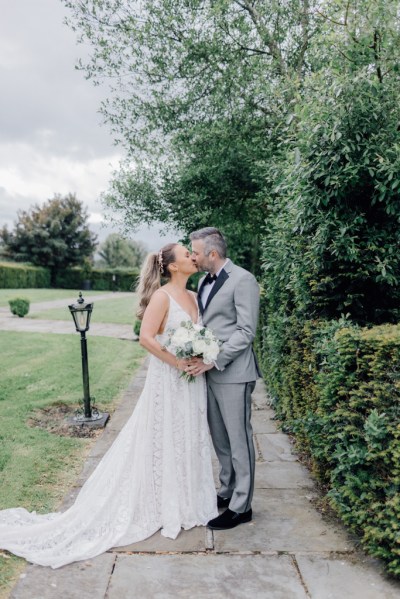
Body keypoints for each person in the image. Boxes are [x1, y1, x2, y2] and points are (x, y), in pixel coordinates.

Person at [0, 243, 218, 568]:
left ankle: (186, 500)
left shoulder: (194, 294)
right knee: (161, 435)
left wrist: (201, 354)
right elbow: (146, 337)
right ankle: (162, 502)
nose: (192, 256)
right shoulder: (162, 296)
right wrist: (177, 362)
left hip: (191, 380)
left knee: (187, 434)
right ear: (172, 266)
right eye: (186, 253)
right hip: (169, 378)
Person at [188, 227, 260, 530]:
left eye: (195, 252)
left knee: (239, 439)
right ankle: (228, 491)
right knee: (220, 438)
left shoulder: (243, 280)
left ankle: (242, 506)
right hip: (210, 374)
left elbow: (246, 331)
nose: (193, 257)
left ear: (212, 254)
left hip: (233, 373)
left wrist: (213, 360)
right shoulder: (204, 281)